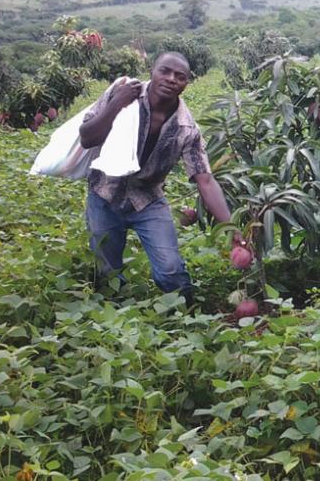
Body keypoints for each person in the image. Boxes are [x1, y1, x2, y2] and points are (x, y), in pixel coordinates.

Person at [79, 52, 231, 306]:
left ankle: (186, 314)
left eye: (179, 77)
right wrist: (117, 103)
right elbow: (87, 137)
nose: (171, 79)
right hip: (104, 194)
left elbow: (204, 179)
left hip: (148, 200)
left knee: (171, 268)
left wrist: (230, 226)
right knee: (107, 270)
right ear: (152, 71)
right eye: (165, 71)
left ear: (186, 83)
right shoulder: (123, 92)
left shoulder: (186, 127)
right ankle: (113, 319)